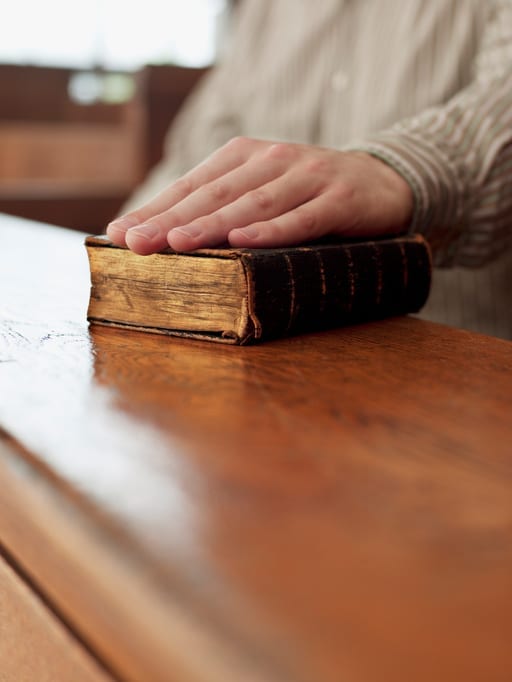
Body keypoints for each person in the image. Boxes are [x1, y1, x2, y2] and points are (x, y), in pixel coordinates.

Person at [107, 0, 512, 340]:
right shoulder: (263, 9)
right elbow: (189, 161)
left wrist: (394, 173)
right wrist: (116, 258)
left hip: (452, 359)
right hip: (232, 361)